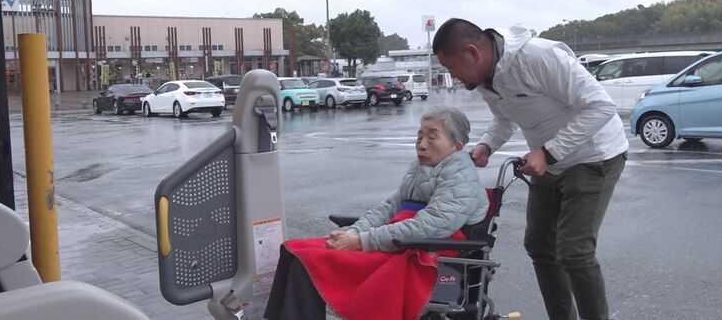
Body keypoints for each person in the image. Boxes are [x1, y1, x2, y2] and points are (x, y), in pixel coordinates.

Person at [433, 18, 628, 320]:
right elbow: (504, 118)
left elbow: (601, 106)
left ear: (472, 52)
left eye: (450, 67)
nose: (453, 76)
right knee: (539, 245)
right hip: (548, 162)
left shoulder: (538, 57)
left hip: (593, 156)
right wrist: (486, 145)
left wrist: (549, 153)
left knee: (574, 252)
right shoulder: (487, 79)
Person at [265, 106, 489, 320]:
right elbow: (388, 208)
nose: (421, 145)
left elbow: (429, 226)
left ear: (457, 147)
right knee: (294, 250)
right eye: (419, 137)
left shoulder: (461, 179)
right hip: (400, 243)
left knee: (310, 261)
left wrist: (360, 241)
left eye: (432, 137)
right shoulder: (421, 169)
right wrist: (352, 233)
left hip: (422, 254)